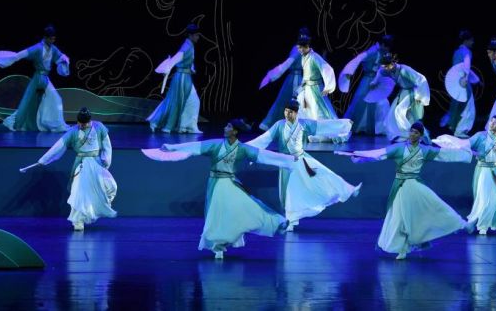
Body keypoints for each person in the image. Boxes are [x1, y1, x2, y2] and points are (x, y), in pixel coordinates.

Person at [150, 119, 296, 259]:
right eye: (226, 126)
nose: (225, 128)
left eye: (228, 126)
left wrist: (287, 159)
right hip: (216, 184)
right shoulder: (216, 144)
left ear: (235, 131)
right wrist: (172, 147)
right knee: (216, 216)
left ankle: (278, 222)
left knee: (249, 208)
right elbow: (195, 146)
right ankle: (218, 247)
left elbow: (264, 156)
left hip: (230, 183)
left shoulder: (243, 149)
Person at [346, 122, 474, 259]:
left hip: (415, 185)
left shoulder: (425, 150)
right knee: (398, 218)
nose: (412, 134)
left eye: (416, 132)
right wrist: (360, 156)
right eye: (411, 131)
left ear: (421, 136)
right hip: (402, 187)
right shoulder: (399, 148)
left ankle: (463, 225)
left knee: (438, 206)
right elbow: (380, 154)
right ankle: (402, 249)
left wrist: (466, 154)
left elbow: (444, 155)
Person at [246, 98, 360, 230]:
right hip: (286, 162)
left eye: (290, 112)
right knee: (288, 194)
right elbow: (264, 139)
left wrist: (344, 124)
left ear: (296, 113)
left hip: (302, 160)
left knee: (324, 175)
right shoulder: (279, 125)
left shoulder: (303, 124)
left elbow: (322, 126)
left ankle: (348, 189)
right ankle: (291, 221)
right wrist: (247, 150)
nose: (287, 114)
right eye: (286, 111)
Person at [29, 107, 116, 230]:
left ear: (89, 121)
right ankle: (78, 221)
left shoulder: (99, 127)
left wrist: (106, 159)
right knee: (78, 192)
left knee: (110, 185)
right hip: (82, 163)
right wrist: (43, 160)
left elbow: (107, 145)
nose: (81, 125)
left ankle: (103, 203)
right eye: (80, 123)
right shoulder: (73, 131)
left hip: (97, 163)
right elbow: (58, 146)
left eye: (84, 123)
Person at [0, 25, 69, 131]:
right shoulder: (37, 48)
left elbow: (60, 58)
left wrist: (64, 60)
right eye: (51, 39)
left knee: (56, 99)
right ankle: (17, 124)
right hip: (38, 77)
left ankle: (54, 125)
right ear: (45, 37)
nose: (52, 41)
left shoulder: (53, 49)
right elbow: (20, 55)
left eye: (54, 39)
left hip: (45, 79)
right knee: (27, 102)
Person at [147, 24, 203, 133]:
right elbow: (176, 59)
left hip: (185, 77)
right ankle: (165, 125)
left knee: (192, 101)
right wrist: (167, 68)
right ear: (191, 35)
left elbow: (188, 59)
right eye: (196, 35)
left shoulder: (190, 45)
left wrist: (191, 68)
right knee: (177, 102)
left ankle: (185, 126)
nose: (198, 37)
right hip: (182, 78)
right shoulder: (186, 46)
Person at [339, 34, 394, 135]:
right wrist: (349, 71)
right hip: (368, 80)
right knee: (361, 102)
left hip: (378, 80)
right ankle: (359, 126)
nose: (387, 49)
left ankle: (381, 128)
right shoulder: (372, 52)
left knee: (382, 103)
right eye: (386, 46)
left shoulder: (384, 53)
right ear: (382, 44)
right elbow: (358, 59)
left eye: (388, 47)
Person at [258, 27, 308, 131]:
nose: (303, 37)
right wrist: (273, 74)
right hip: (292, 79)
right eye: (301, 35)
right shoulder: (297, 48)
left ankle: (296, 127)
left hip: (300, 79)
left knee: (297, 104)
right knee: (284, 102)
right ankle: (279, 126)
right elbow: (287, 63)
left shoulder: (306, 50)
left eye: (305, 35)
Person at [371, 53, 430, 141]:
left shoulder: (404, 70)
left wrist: (420, 96)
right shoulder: (387, 70)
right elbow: (380, 72)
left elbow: (421, 79)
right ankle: (404, 135)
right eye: (384, 67)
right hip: (403, 92)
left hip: (413, 91)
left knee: (401, 112)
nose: (386, 69)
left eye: (387, 66)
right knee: (392, 114)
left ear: (393, 63)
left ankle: (418, 135)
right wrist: (374, 81)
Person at [440, 29, 478, 137]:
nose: (473, 42)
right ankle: (461, 130)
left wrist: (475, 78)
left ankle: (454, 126)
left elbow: (458, 67)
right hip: (463, 82)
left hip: (456, 82)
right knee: (468, 107)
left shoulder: (457, 52)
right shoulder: (467, 52)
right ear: (466, 40)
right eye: (471, 40)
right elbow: (466, 66)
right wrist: (467, 78)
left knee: (457, 105)